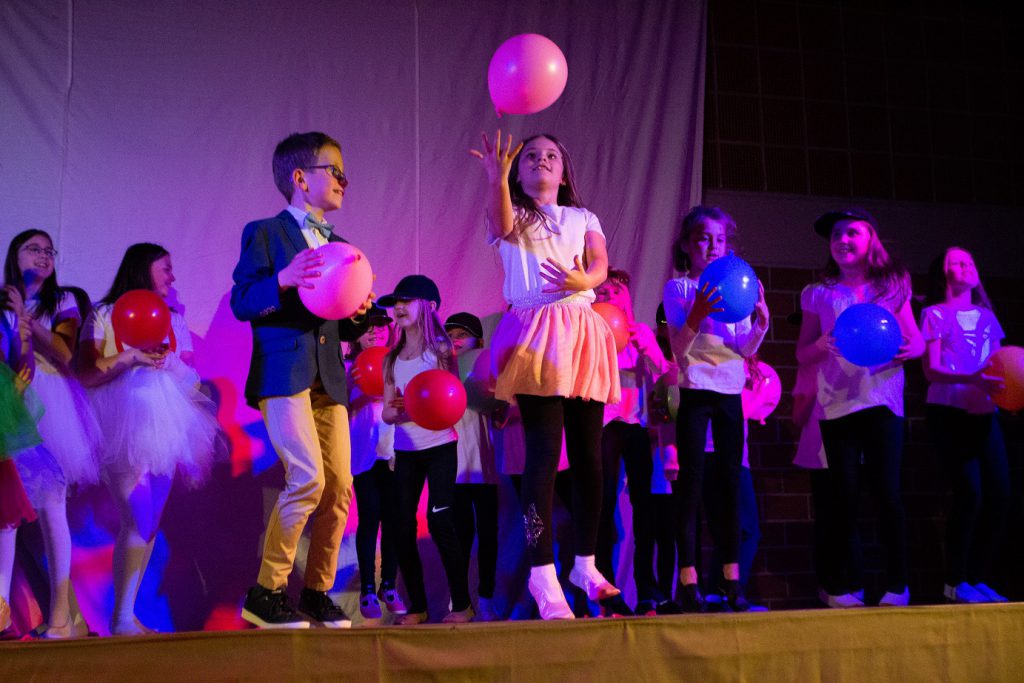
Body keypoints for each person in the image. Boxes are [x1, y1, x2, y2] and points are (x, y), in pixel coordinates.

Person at [470, 131, 623, 620]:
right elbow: (500, 221)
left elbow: (600, 263)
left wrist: (586, 280)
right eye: (532, 156)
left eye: (551, 155)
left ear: (563, 171)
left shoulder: (583, 217)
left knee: (590, 458)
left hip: (582, 328)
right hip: (537, 329)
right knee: (543, 456)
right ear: (519, 171)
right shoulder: (514, 215)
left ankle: (585, 563)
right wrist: (497, 179)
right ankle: (542, 572)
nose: (541, 160)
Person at [231, 131, 371, 629]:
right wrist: (282, 280)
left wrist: (359, 314)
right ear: (300, 178)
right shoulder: (266, 233)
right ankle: (266, 592)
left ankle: (316, 591)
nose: (343, 181)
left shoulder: (341, 245)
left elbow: (339, 322)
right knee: (307, 478)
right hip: (283, 373)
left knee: (339, 487)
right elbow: (243, 301)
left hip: (328, 379)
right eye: (334, 171)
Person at [79, 242, 219, 634]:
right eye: (166, 268)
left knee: (150, 521)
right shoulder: (104, 314)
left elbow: (192, 382)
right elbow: (87, 374)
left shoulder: (172, 320)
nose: (173, 277)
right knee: (138, 517)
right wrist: (131, 357)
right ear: (144, 269)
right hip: (121, 421)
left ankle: (126, 615)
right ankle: (121, 618)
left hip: (167, 423)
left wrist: (168, 360)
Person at [796, 208, 924, 607]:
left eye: (852, 233)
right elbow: (802, 353)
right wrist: (822, 345)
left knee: (886, 492)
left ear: (870, 239)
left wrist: (912, 348)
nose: (843, 240)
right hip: (838, 405)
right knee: (843, 496)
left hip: (882, 400)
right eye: (836, 234)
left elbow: (916, 341)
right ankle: (839, 586)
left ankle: (897, 584)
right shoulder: (818, 293)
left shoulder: (891, 289)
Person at [662, 206, 769, 612]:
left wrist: (760, 324)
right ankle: (688, 582)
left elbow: (742, 348)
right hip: (695, 391)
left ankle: (731, 582)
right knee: (690, 486)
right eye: (704, 238)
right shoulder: (680, 288)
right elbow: (678, 349)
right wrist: (698, 313)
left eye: (720, 240)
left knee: (728, 485)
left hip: (729, 393)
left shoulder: (735, 287)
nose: (712, 246)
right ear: (687, 245)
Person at [4, 229, 100, 638]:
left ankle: (61, 617)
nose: (44, 256)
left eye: (49, 250)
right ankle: (6, 612)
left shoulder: (63, 300)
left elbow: (63, 353)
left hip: (51, 403)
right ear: (15, 255)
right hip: (11, 401)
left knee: (51, 507)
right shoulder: (3, 300)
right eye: (34, 249)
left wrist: (25, 318)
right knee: (7, 510)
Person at [380, 275, 471, 624]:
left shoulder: (442, 352)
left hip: (440, 448)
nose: (398, 307)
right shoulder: (391, 358)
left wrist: (421, 406)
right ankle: (417, 607)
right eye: (396, 302)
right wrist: (400, 410)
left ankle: (462, 605)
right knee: (401, 525)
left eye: (406, 300)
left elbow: (453, 402)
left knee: (440, 521)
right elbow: (388, 413)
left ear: (428, 306)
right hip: (406, 451)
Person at [920, 247, 1009, 603]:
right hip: (950, 412)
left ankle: (976, 576)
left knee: (1000, 494)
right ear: (944, 274)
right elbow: (931, 370)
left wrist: (1007, 394)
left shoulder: (987, 317)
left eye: (970, 261)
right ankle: (954, 581)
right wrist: (971, 378)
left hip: (985, 413)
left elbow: (1002, 364)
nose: (966, 265)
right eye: (957, 262)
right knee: (970, 492)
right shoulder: (934, 314)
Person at [594, 269, 673, 614]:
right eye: (602, 292)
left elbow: (667, 377)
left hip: (636, 425)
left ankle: (646, 589)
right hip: (605, 424)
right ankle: (606, 591)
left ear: (627, 298)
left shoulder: (640, 332)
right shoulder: (591, 332)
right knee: (603, 506)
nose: (609, 296)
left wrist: (650, 351)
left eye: (616, 291)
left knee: (645, 509)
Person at [346, 304, 406, 620]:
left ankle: (389, 585)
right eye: (367, 326)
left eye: (381, 325)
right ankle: (368, 588)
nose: (374, 331)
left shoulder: (399, 364)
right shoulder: (347, 366)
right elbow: (337, 405)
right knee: (369, 515)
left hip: (394, 450)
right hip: (363, 453)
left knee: (395, 518)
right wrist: (353, 388)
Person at [446, 311, 501, 621]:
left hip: (484, 468)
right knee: (460, 536)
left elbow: (500, 413)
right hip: (453, 468)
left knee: (488, 535)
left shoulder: (486, 369)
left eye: (462, 335)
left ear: (478, 341)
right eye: (450, 335)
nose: (455, 340)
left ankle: (487, 598)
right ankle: (459, 601)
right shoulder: (440, 372)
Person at [0, 291, 42, 638]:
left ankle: (0, 614)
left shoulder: (6, 320)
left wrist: (22, 331)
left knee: (6, 520)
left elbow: (24, 371)